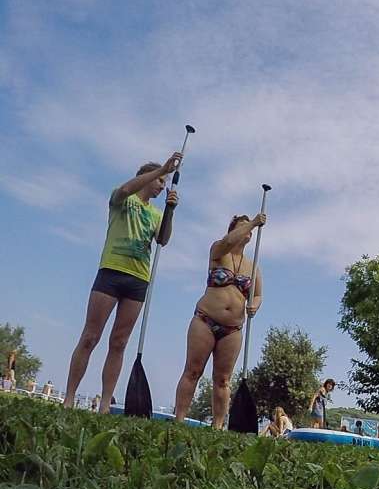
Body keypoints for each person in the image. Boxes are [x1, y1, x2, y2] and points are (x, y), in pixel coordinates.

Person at [62, 154, 182, 412]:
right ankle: (69, 398)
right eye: (160, 180)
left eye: (164, 181)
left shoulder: (155, 212)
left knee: (119, 342)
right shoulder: (122, 199)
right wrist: (162, 168)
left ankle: (105, 403)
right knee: (90, 337)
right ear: (147, 177)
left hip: (138, 278)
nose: (163, 185)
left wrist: (170, 211)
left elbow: (163, 240)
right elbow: (128, 188)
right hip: (111, 272)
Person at [171, 213, 267, 428]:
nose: (247, 231)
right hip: (205, 320)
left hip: (232, 329)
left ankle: (218, 426)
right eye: (241, 228)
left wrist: (255, 305)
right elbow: (228, 242)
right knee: (193, 371)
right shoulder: (219, 250)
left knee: (223, 380)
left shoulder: (253, 267)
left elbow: (258, 294)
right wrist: (252, 222)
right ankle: (178, 420)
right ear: (231, 230)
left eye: (249, 229)